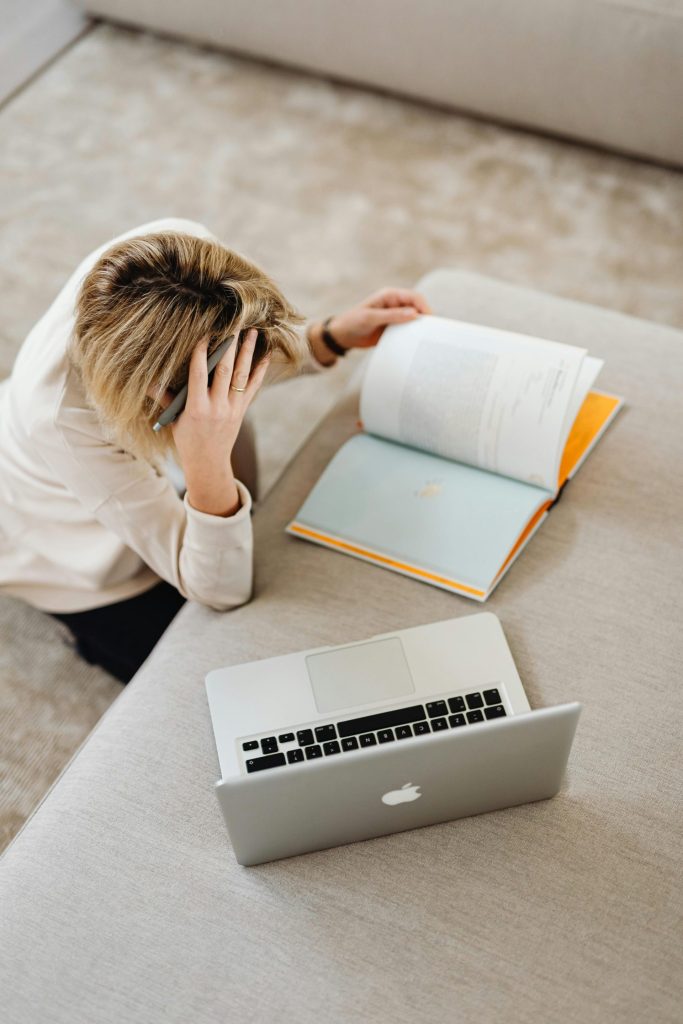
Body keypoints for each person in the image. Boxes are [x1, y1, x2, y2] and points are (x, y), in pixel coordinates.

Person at [0, 218, 430, 682]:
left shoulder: (174, 249)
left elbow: (247, 345)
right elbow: (218, 590)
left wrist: (331, 335)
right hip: (68, 551)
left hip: (118, 439)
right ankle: (83, 634)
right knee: (210, 670)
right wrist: (206, 461)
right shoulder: (65, 424)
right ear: (164, 392)